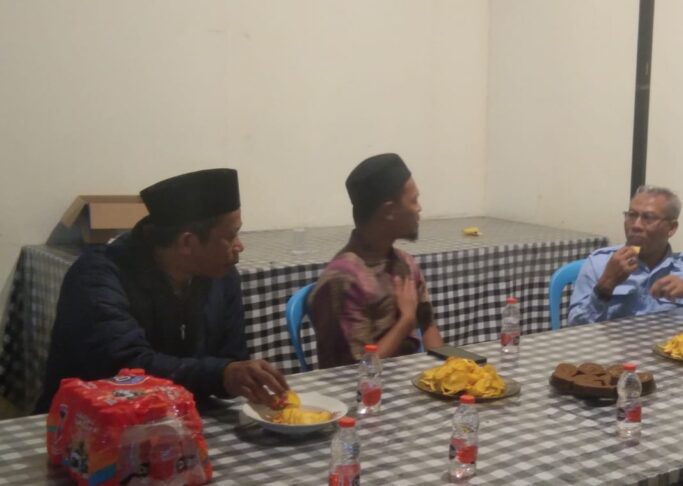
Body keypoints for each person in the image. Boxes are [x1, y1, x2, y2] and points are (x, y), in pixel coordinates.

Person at [35, 169, 288, 413]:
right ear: (187, 242)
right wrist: (221, 374)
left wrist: (240, 375)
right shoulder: (97, 276)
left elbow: (231, 357)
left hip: (180, 419)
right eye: (231, 235)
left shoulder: (220, 275)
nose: (239, 246)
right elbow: (126, 371)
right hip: (89, 424)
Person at [309, 153, 444, 368]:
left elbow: (428, 326)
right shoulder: (343, 280)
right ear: (389, 211)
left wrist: (446, 373)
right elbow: (356, 370)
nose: (419, 208)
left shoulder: (405, 264)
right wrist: (406, 321)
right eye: (413, 200)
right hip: (360, 387)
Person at [568, 185, 683, 325]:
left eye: (648, 218)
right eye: (631, 215)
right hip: (614, 355)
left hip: (672, 354)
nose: (636, 225)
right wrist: (606, 285)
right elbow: (575, 327)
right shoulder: (600, 263)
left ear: (672, 228)